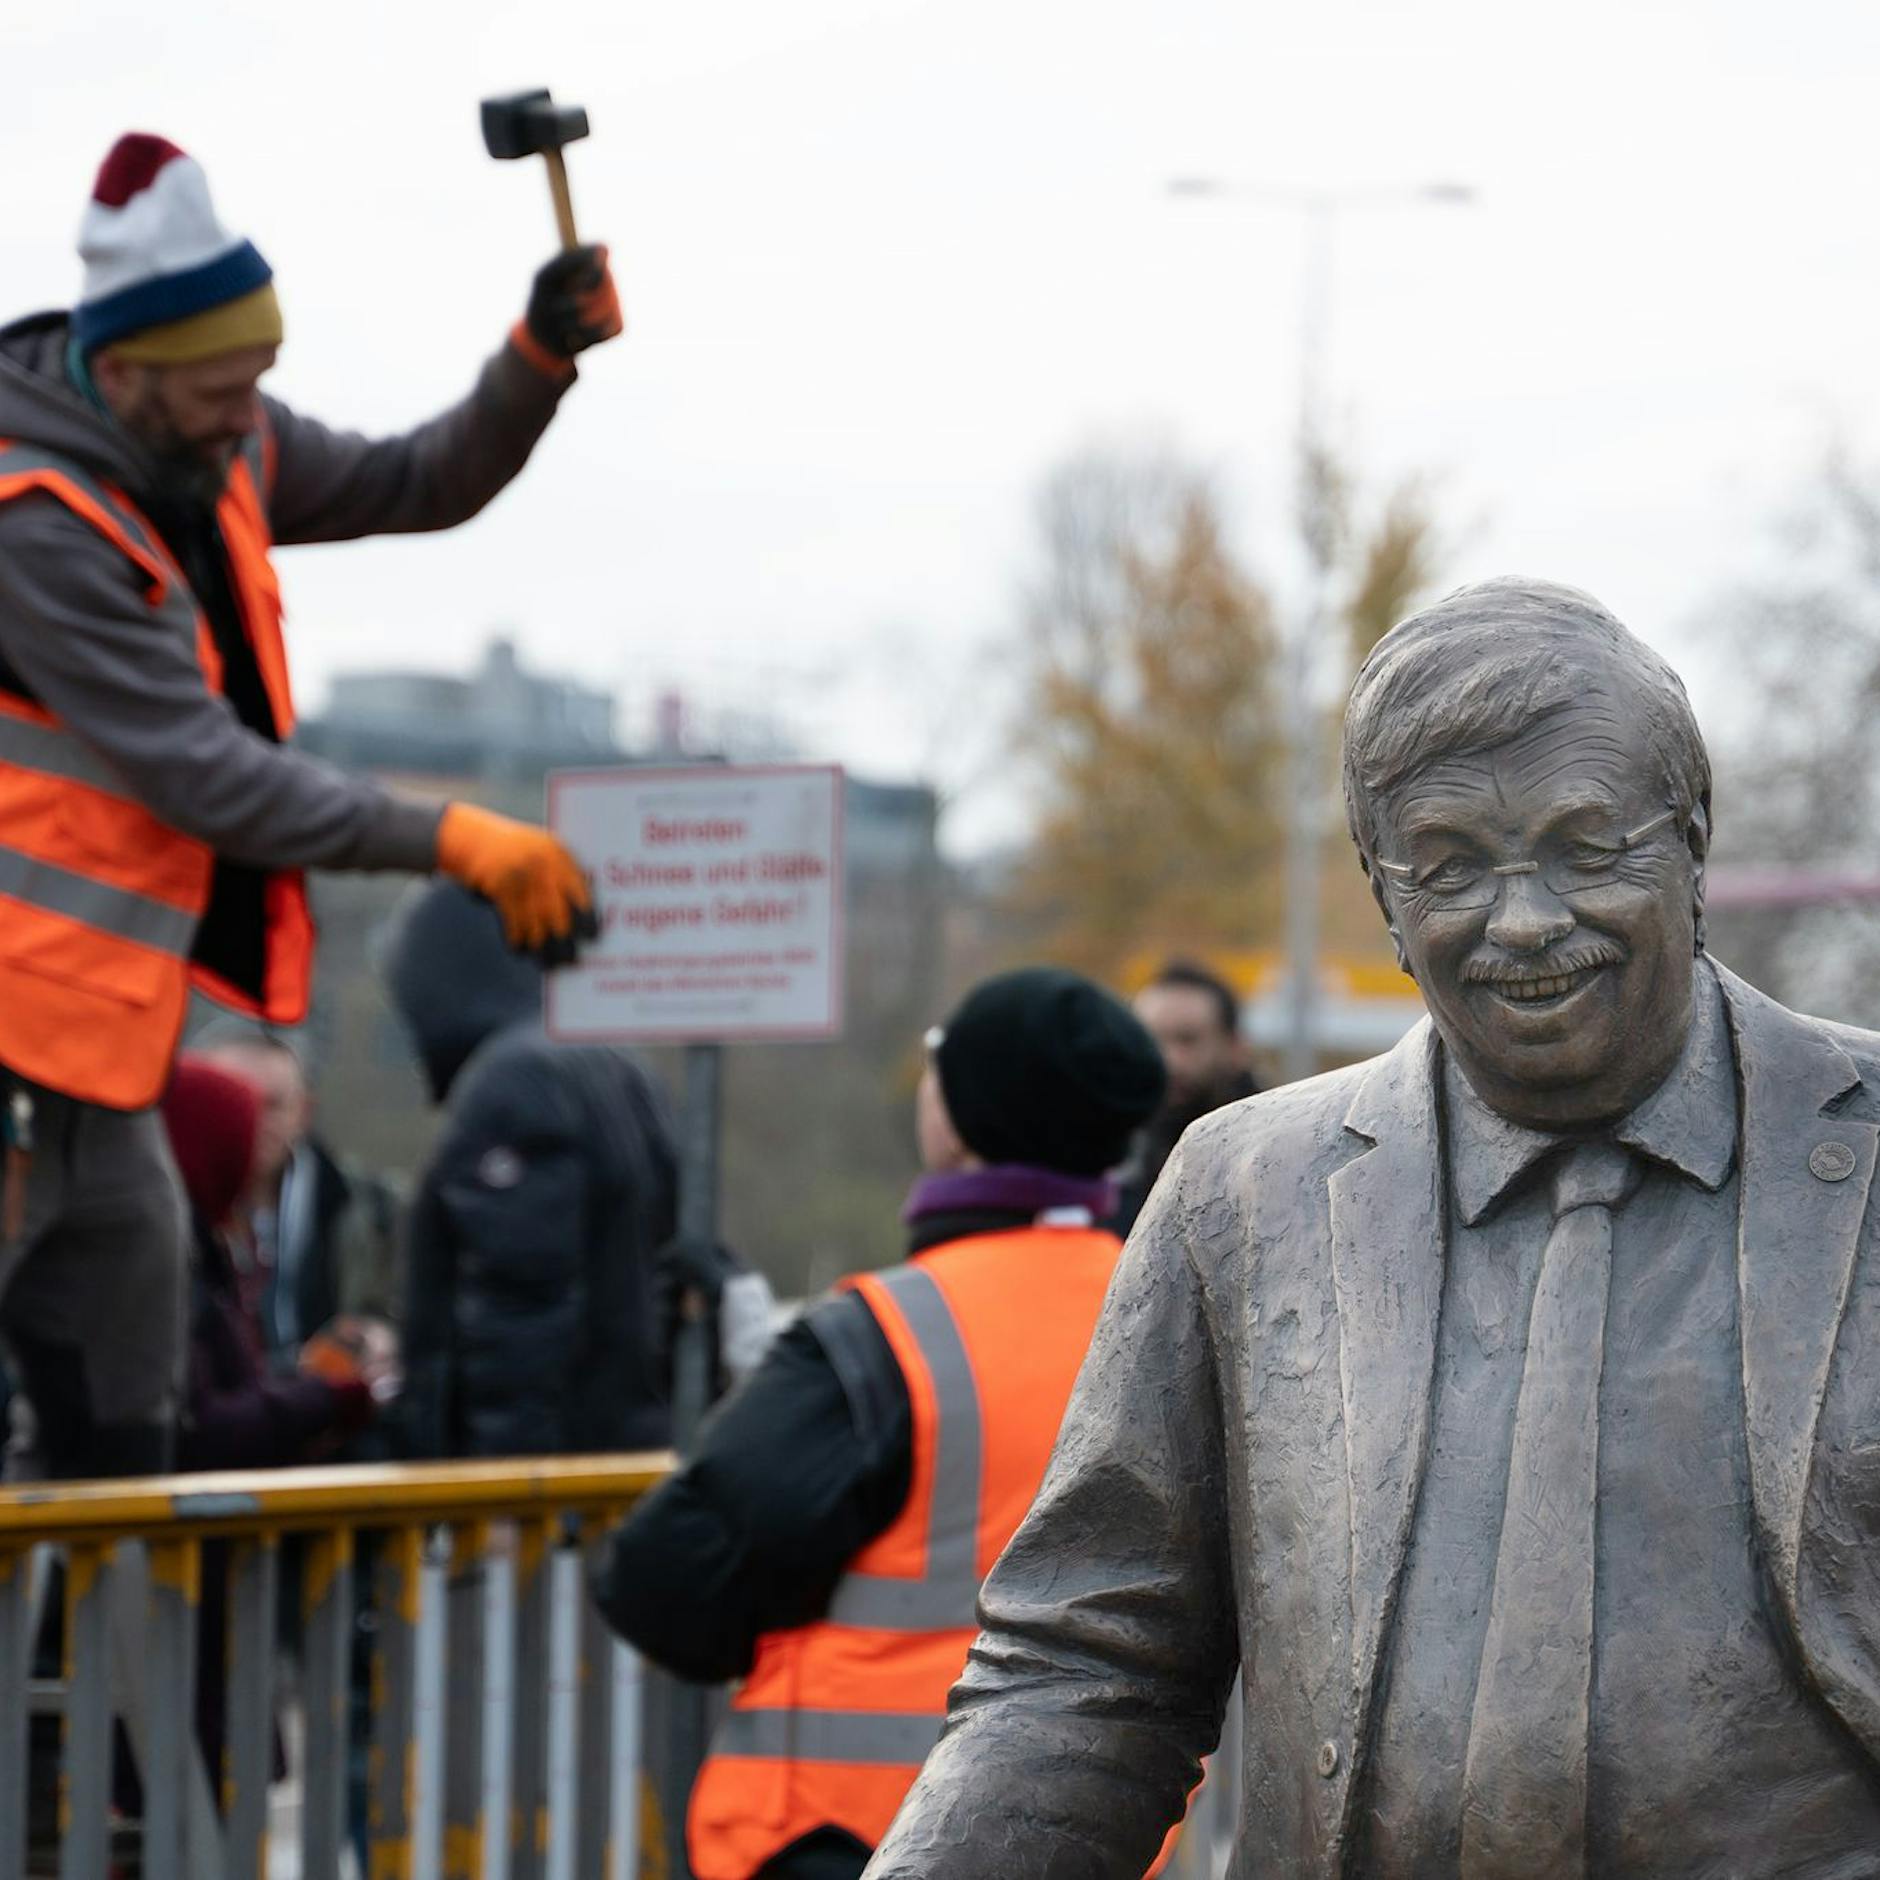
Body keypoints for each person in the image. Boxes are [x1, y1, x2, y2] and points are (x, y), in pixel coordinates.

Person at [866, 577, 1880, 1878]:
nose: (1523, 922)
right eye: (1451, 867)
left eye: (1585, 848)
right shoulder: (1240, 1195)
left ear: (1691, 843)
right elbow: (1086, 1669)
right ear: (1384, 895)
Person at [0, 133, 611, 1477]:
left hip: (91, 1051)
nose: (250, 418)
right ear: (129, 375)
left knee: (128, 1401)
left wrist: (534, 363)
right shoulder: (32, 520)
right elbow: (203, 772)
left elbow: (415, 478)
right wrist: (448, 835)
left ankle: (117, 1687)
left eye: (259, 385)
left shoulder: (219, 447)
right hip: (17, 1039)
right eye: (226, 392)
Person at [595, 966, 1168, 1880]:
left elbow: (664, 1583)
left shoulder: (888, 1333)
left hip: (852, 1834)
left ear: (966, 1117)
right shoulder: (1169, 1310)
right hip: (1100, 1840)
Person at [386, 881, 723, 1459]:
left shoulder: (514, 1085)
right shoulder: (614, 1059)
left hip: (552, 1470)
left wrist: (507, 1490)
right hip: (627, 1443)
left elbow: (519, 1314)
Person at [160, 1055, 384, 1792]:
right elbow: (204, 1423)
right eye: (242, 1120)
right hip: (188, 1573)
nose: (262, 1132)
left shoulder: (351, 1204)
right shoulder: (179, 1258)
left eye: (276, 1106)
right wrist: (327, 1397)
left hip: (270, 1525)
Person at [194, 1024, 405, 1363]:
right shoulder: (161, 1209)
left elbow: (404, 1311)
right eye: (234, 1099)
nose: (252, 1120)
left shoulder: (376, 1209)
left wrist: (378, 1335)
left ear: (303, 1112)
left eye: (273, 1105)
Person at [1112, 957, 1259, 1234]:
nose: (1169, 1061)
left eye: (1187, 1040)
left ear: (1236, 1047)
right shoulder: (1108, 1163)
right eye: (1151, 1039)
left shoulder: (1273, 1156)